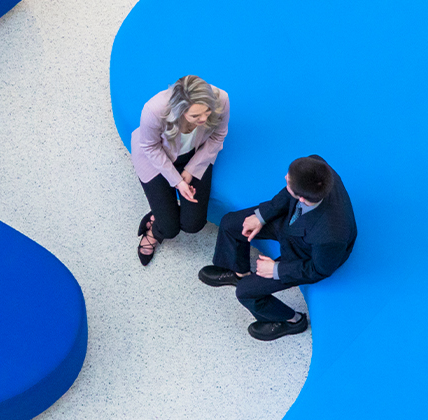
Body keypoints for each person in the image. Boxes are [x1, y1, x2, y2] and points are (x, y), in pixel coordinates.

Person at [197, 155, 357, 341]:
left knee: (245, 291)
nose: (285, 178)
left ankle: (293, 321)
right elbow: (288, 193)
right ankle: (238, 271)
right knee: (230, 223)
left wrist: (275, 270)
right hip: (292, 222)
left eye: (288, 180)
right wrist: (262, 216)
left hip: (307, 252)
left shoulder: (331, 235)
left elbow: (318, 269)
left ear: (303, 198)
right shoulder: (316, 166)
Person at [132, 75, 231, 266]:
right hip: (156, 158)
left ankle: (161, 213)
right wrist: (177, 181)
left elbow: (218, 136)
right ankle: (155, 227)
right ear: (180, 110)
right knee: (169, 229)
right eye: (195, 116)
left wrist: (191, 170)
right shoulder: (154, 109)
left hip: (195, 155)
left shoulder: (221, 99)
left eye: (207, 111)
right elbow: (150, 147)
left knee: (193, 225)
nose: (204, 119)